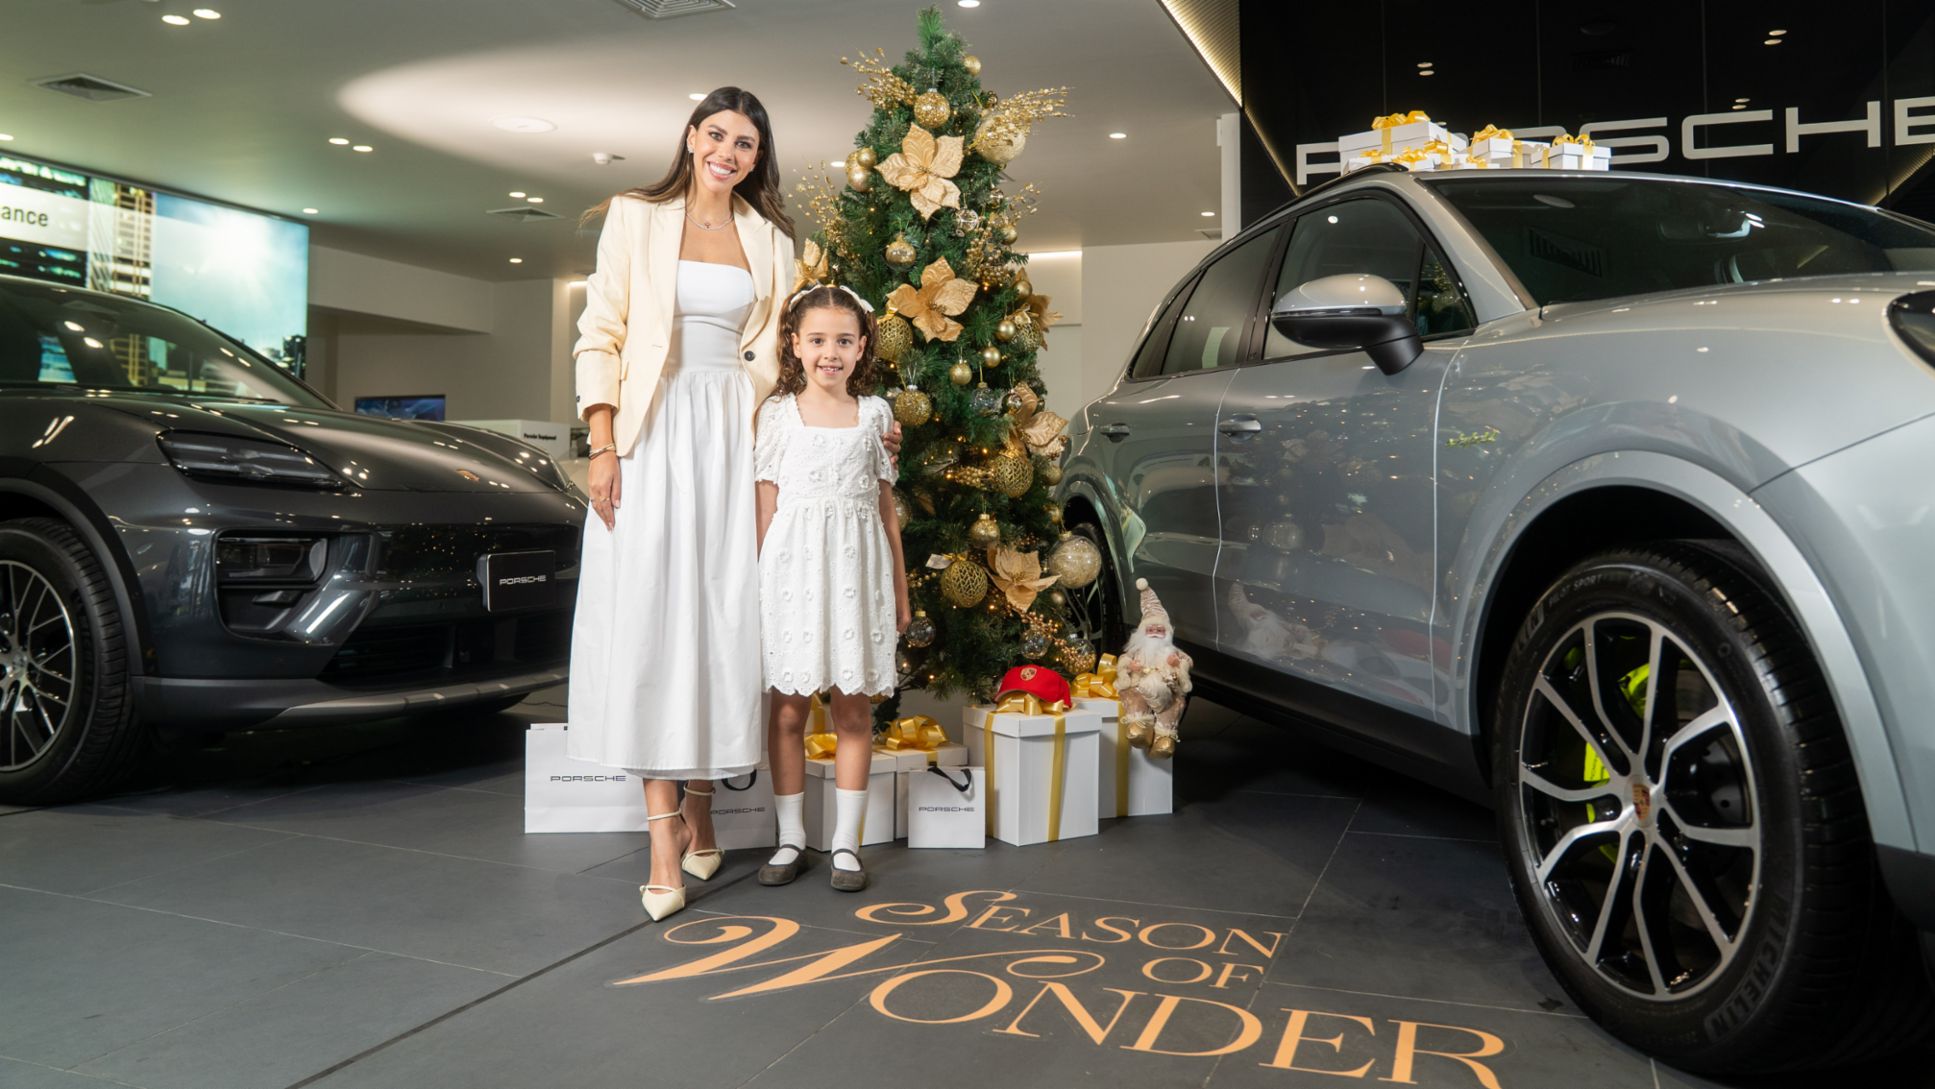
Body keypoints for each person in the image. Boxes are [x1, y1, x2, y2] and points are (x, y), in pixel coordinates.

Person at [566, 87, 797, 923]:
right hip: (651, 429)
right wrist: (602, 443)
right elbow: (600, 332)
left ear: (758, 158)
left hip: (733, 434)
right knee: (652, 620)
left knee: (722, 619)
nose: (728, 152)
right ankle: (663, 836)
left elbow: (783, 356)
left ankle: (702, 805)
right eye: (717, 135)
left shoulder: (772, 240)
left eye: (745, 143)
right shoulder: (636, 216)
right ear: (692, 137)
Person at [751, 285, 911, 893]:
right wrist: (759, 586)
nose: (830, 353)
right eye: (817, 340)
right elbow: (765, 508)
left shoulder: (876, 416)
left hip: (856, 579)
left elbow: (887, 511)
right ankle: (791, 836)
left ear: (862, 346)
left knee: (853, 709)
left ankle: (846, 842)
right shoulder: (776, 414)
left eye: (844, 341)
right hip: (791, 578)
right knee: (789, 709)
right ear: (795, 344)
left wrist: (900, 593)